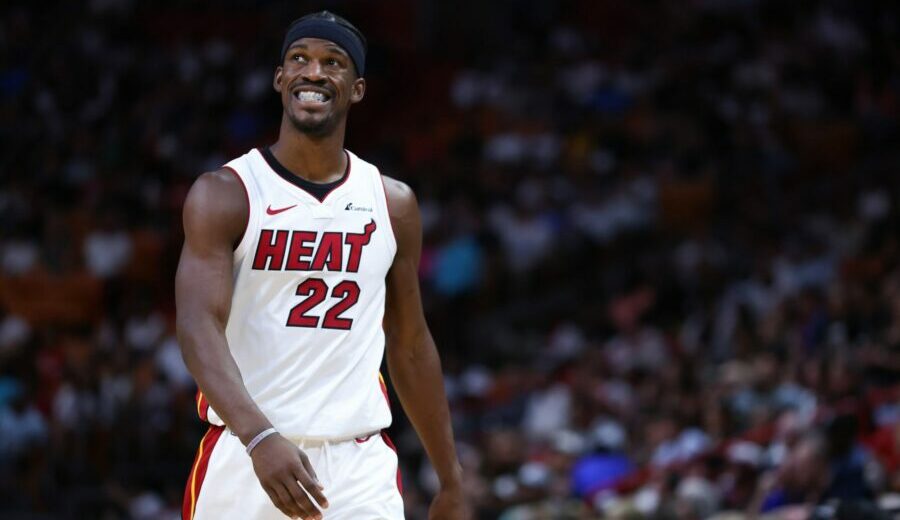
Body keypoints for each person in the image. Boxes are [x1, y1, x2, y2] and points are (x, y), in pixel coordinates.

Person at [175, 11, 469, 520]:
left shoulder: (392, 203)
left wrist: (451, 478)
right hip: (248, 452)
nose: (314, 72)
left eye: (332, 62)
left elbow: (411, 343)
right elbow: (197, 324)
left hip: (357, 463)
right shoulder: (227, 193)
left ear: (355, 89)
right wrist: (258, 434)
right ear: (279, 78)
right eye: (299, 59)